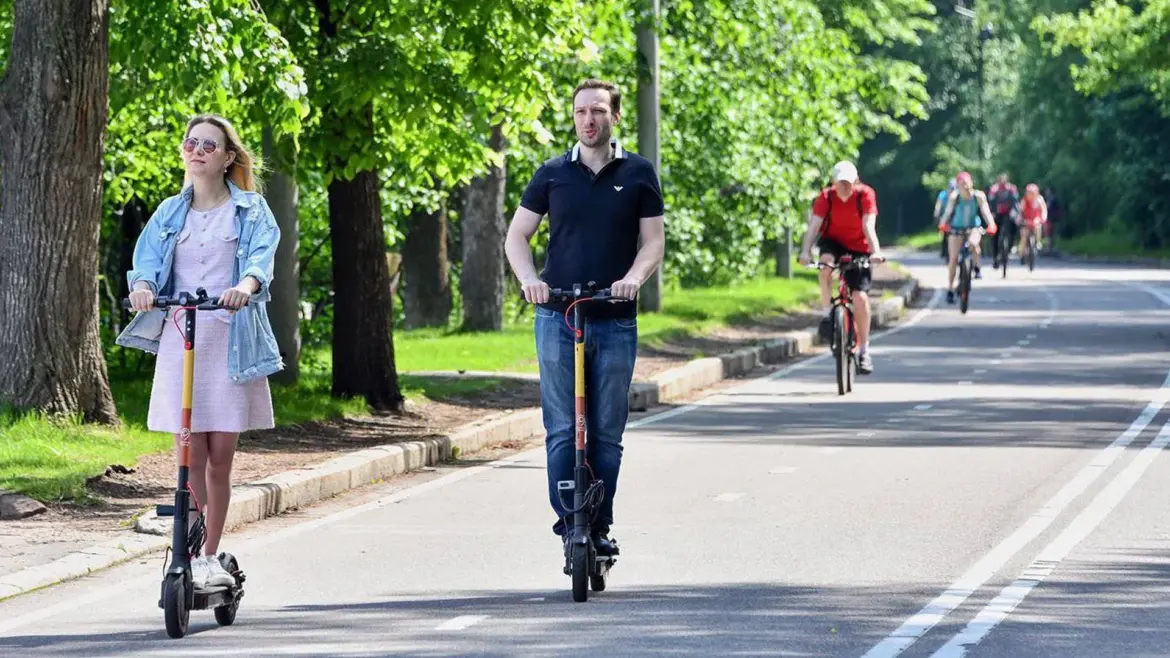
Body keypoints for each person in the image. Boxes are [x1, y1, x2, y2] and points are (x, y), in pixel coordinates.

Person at [117, 115, 282, 589]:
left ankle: (209, 555)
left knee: (220, 456)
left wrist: (245, 287)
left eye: (208, 145)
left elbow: (259, 260)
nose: (197, 150)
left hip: (229, 336)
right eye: (191, 143)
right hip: (181, 334)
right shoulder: (170, 212)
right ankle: (186, 548)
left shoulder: (250, 210)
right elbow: (145, 263)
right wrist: (145, 288)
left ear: (228, 157)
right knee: (188, 454)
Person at [504, 79, 666, 562]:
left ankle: (599, 524)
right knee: (561, 429)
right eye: (580, 112)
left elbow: (653, 243)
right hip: (558, 317)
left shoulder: (638, 172)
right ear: (573, 118)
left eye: (597, 111)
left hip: (614, 319)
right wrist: (530, 280)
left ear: (614, 115)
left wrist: (634, 278)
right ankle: (569, 523)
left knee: (605, 433)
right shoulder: (552, 173)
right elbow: (517, 237)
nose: (589, 120)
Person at [798, 161, 884, 375]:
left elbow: (868, 226)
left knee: (859, 298)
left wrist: (876, 252)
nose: (844, 188)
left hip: (860, 247)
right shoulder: (826, 197)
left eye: (848, 183)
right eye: (840, 183)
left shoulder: (865, 195)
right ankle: (828, 314)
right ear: (834, 183)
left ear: (856, 181)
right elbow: (814, 227)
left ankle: (864, 351)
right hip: (833, 243)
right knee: (825, 267)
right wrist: (805, 252)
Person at [939, 171, 997, 303]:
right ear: (958, 185)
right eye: (962, 184)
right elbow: (947, 212)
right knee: (953, 258)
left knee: (974, 242)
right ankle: (950, 288)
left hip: (973, 227)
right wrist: (942, 225)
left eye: (967, 183)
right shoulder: (955, 197)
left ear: (971, 183)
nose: (965, 186)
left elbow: (986, 211)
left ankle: (976, 267)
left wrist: (992, 225)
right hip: (956, 228)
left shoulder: (978, 196)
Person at [987, 174, 1019, 269]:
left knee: (1014, 227)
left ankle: (1011, 247)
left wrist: (1015, 213)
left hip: (1009, 214)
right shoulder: (994, 189)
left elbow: (1015, 201)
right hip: (997, 214)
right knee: (995, 234)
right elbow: (991, 202)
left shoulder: (1012, 189)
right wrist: (992, 213)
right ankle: (995, 257)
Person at [1018, 183, 1048, 260]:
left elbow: (1044, 210)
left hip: (1035, 218)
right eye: (1029, 193)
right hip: (1026, 219)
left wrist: (1043, 218)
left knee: (1038, 227)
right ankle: (1022, 253)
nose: (1030, 195)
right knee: (1024, 235)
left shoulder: (1039, 199)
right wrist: (1020, 219)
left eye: (1032, 193)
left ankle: (1038, 242)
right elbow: (1020, 211)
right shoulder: (1024, 200)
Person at [934, 178, 956, 261]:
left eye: (953, 188)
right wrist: (936, 214)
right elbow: (938, 205)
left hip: (954, 216)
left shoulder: (957, 195)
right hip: (944, 216)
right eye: (951, 188)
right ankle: (945, 251)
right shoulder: (943, 194)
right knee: (946, 233)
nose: (952, 190)